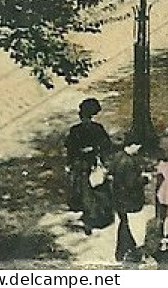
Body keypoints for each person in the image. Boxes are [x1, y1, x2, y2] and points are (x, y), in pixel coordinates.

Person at [65, 97, 114, 230]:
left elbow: (70, 147)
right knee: (95, 189)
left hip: (80, 163)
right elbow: (106, 145)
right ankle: (96, 215)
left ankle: (88, 213)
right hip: (92, 162)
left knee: (83, 189)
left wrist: (70, 162)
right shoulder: (97, 128)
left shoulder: (75, 130)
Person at [108, 133, 147, 262]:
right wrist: (145, 179)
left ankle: (126, 248)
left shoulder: (118, 156)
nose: (139, 149)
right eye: (137, 146)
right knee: (127, 225)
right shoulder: (129, 162)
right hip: (128, 198)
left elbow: (111, 172)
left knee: (123, 222)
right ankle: (125, 250)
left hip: (118, 196)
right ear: (131, 145)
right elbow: (132, 183)